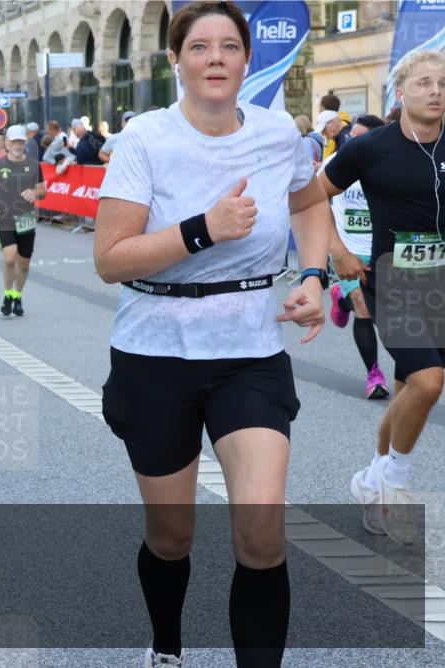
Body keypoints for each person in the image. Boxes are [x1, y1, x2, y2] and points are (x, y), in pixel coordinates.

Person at [93, 3, 329, 666]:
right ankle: (166, 645)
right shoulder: (147, 137)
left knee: (261, 533)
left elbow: (310, 203)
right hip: (154, 354)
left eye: (230, 46)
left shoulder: (281, 133)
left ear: (247, 60)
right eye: (200, 47)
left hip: (249, 354)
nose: (216, 58)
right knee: (171, 537)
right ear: (176, 61)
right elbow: (110, 258)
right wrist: (202, 229)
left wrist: (312, 275)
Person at [319, 49, 445, 545]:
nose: (436, 91)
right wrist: (337, 252)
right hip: (390, 280)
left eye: (443, 83)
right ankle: (395, 485)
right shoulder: (370, 148)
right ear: (401, 92)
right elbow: (309, 195)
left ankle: (372, 478)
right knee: (430, 382)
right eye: (425, 83)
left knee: (410, 390)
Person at [323, 114, 390, 400]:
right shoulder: (334, 163)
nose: (353, 142)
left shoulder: (390, 165)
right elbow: (315, 201)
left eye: (361, 137)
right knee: (363, 308)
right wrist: (334, 247)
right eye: (351, 137)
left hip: (382, 250)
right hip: (348, 250)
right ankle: (374, 375)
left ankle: (341, 297)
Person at [0, 124, 46, 317]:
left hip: (26, 218)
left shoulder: (34, 165)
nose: (18, 145)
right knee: (10, 257)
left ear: (24, 143)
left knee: (24, 263)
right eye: (15, 141)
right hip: (5, 217)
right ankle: (7, 293)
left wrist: (35, 192)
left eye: (21, 141)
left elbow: (43, 192)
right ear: (8, 143)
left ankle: (17, 295)